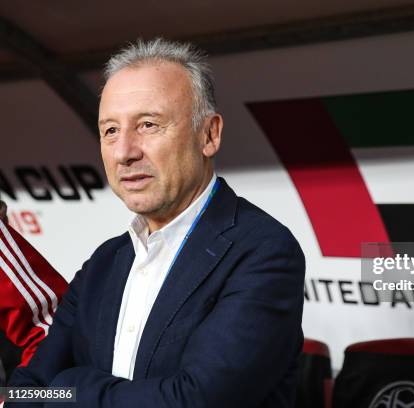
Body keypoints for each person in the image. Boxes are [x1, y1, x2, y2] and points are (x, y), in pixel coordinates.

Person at [6, 38, 305, 407]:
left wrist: (71, 390)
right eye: (111, 130)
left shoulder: (264, 251)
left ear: (209, 134)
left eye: (148, 124)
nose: (125, 152)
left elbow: (196, 401)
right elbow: (23, 390)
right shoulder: (104, 262)